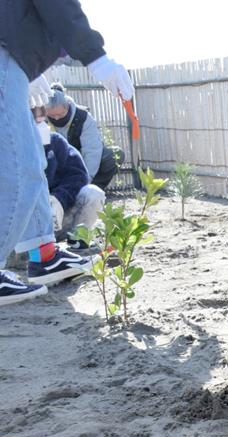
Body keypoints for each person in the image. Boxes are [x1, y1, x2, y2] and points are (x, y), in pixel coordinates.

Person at [0, 0, 134, 305]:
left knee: (32, 161)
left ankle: (44, 255)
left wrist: (28, 68)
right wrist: (95, 56)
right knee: (18, 170)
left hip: (13, 54)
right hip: (6, 52)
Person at [31, 107, 106, 249]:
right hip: (27, 229)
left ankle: (78, 238)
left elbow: (79, 176)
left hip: (62, 217)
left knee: (93, 193)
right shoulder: (9, 151)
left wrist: (58, 199)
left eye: (41, 120)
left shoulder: (56, 142)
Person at [46, 83, 126, 191]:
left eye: (60, 115)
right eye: (51, 116)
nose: (56, 119)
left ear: (68, 106)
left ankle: (92, 190)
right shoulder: (41, 119)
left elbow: (92, 151)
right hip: (56, 165)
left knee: (115, 155)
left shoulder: (83, 117)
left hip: (81, 162)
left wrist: (83, 182)